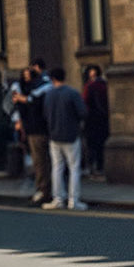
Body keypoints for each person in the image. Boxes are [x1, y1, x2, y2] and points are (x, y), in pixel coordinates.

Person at [42, 67, 88, 211]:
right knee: (74, 168)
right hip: (71, 135)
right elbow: (83, 112)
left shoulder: (48, 95)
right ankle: (73, 200)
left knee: (57, 167)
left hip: (54, 135)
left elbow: (45, 114)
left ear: (52, 79)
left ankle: (58, 199)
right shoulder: (72, 93)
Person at [13, 58, 53, 204]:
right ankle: (44, 189)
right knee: (41, 161)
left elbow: (33, 101)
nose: (27, 77)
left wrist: (23, 100)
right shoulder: (32, 88)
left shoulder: (41, 88)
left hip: (38, 129)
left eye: (29, 73)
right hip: (34, 128)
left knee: (40, 162)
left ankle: (44, 190)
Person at [82, 64, 109, 175]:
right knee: (100, 143)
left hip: (91, 118)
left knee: (92, 144)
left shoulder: (90, 86)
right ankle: (100, 166)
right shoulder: (104, 84)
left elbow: (84, 101)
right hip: (102, 117)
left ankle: (93, 167)